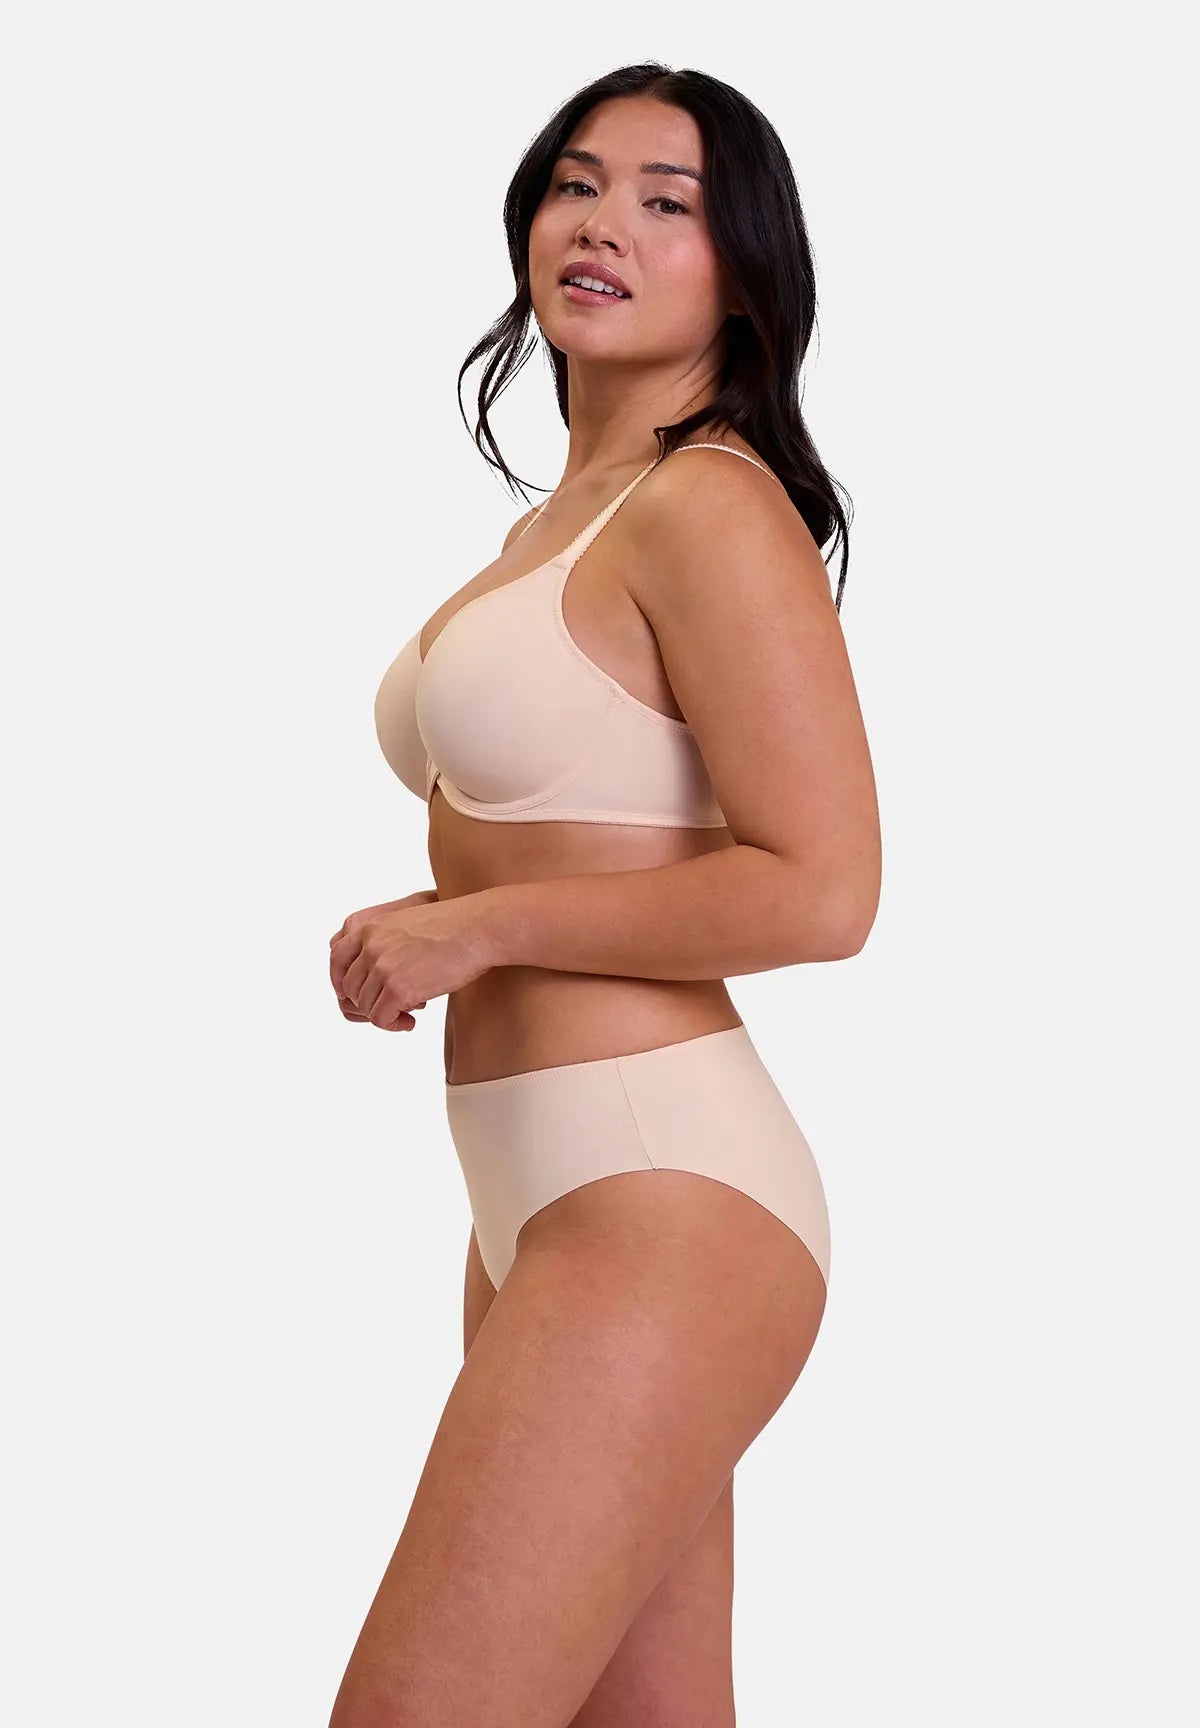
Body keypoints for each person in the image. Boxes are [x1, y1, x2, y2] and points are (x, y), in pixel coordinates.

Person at [327, 60, 880, 1728]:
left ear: (748, 272)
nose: (602, 224)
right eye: (576, 184)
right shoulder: (559, 527)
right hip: (539, 1197)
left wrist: (482, 925)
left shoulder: (710, 508)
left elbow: (825, 889)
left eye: (667, 201)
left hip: (660, 1192)